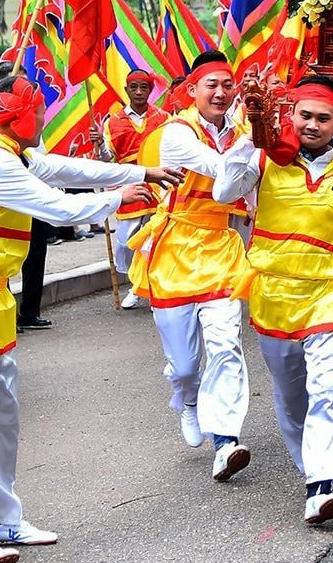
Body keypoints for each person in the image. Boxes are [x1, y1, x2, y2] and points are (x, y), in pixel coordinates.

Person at [0, 76, 182, 563]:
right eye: (41, 110)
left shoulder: (10, 152)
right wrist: (119, 197)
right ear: (22, 115)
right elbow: (57, 206)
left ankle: (3, 522)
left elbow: (66, 167)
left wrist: (143, 171)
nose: (46, 117)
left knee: (2, 419)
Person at [214, 73, 333, 526]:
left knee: (330, 388)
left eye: (323, 118)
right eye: (304, 116)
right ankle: (312, 466)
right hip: (274, 293)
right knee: (291, 395)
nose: (312, 125)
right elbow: (223, 192)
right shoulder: (263, 159)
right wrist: (253, 138)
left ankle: (322, 486)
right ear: (291, 115)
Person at [126, 53, 254, 482]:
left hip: (221, 248)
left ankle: (226, 440)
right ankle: (189, 399)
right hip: (176, 250)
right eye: (211, 85)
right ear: (192, 90)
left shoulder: (241, 132)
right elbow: (223, 174)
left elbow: (251, 187)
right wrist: (256, 147)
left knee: (226, 345)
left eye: (228, 85)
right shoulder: (176, 134)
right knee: (184, 364)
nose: (220, 93)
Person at [93, 68, 170, 310]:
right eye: (133, 87)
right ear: (126, 90)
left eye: (143, 87)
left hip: (159, 187)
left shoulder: (165, 118)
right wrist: (99, 144)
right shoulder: (112, 122)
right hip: (129, 187)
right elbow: (107, 158)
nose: (138, 92)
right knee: (127, 243)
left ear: (150, 90)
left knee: (157, 240)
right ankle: (135, 282)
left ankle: (149, 289)